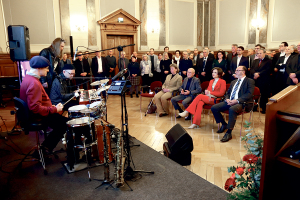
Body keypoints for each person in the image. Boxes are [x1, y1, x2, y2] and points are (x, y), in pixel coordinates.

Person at [20, 56, 68, 153]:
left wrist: (51, 107)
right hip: (38, 116)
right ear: (38, 68)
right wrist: (54, 109)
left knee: (63, 122)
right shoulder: (34, 83)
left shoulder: (28, 78)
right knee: (66, 124)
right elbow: (35, 108)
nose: (47, 70)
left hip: (38, 114)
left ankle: (46, 147)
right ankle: (45, 149)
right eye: (46, 68)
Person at [211, 66, 255, 142]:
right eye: (236, 70)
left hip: (242, 103)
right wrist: (227, 99)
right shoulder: (233, 82)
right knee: (214, 107)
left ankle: (229, 132)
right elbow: (228, 93)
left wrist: (237, 100)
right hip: (230, 101)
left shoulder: (249, 81)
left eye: (238, 70)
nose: (236, 72)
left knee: (232, 109)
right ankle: (224, 124)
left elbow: (249, 94)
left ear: (243, 72)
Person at [250, 49, 271, 114]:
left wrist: (259, 74)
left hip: (263, 80)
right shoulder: (255, 61)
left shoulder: (268, 61)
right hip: (255, 80)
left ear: (264, 53)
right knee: (255, 94)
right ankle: (255, 107)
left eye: (260, 53)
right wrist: (254, 74)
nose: (259, 54)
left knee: (263, 95)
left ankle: (264, 109)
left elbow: (268, 70)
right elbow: (252, 69)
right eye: (258, 53)